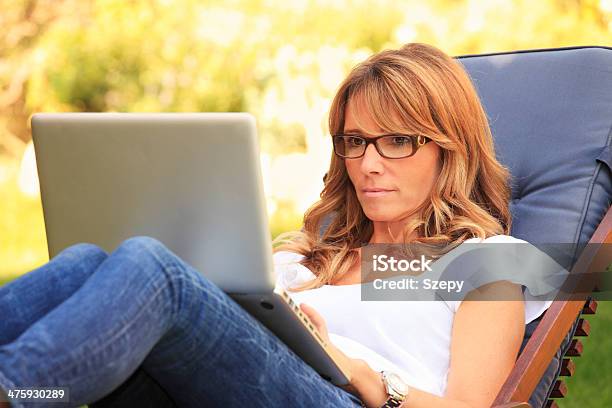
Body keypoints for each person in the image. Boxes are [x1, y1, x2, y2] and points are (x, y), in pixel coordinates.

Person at [0, 43, 550, 408]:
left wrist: (362, 373)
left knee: (154, 270)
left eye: (399, 140)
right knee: (92, 260)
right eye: (355, 141)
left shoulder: (486, 262)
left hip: (347, 401)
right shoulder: (307, 256)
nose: (370, 163)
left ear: (449, 150)